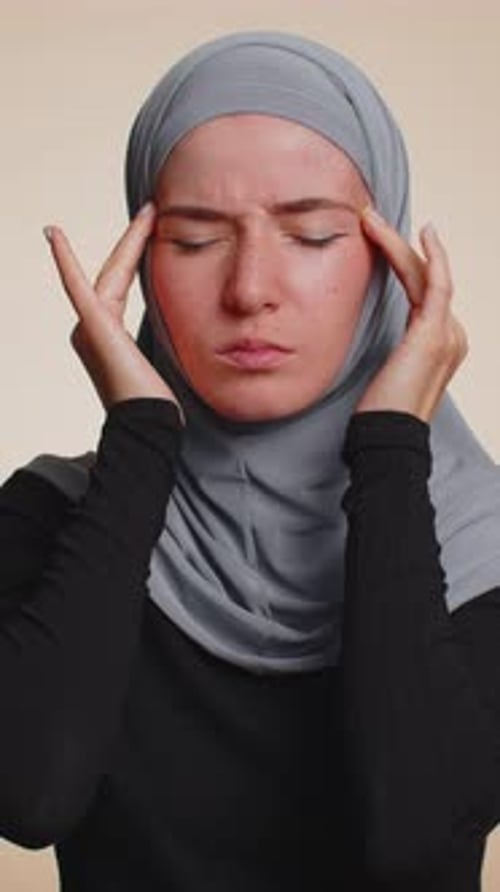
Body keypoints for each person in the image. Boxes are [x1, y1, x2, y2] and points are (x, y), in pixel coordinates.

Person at [1, 29, 500, 891]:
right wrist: (140, 439)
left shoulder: (478, 543)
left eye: (311, 236)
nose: (250, 289)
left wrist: (389, 450)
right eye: (194, 241)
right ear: (143, 264)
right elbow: (28, 797)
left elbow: (416, 844)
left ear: (389, 267)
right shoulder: (54, 516)